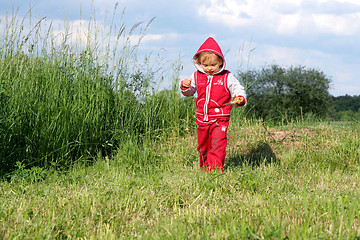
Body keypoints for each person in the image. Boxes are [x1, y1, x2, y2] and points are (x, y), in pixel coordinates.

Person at [180, 37, 247, 172]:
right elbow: (190, 92)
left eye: (213, 65)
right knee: (203, 146)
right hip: (202, 118)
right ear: (199, 63)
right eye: (205, 65)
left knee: (217, 144)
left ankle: (216, 170)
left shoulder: (227, 77)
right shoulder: (197, 76)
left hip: (220, 119)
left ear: (221, 62)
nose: (209, 68)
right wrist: (185, 87)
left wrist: (240, 98)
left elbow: (237, 89)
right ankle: (205, 169)